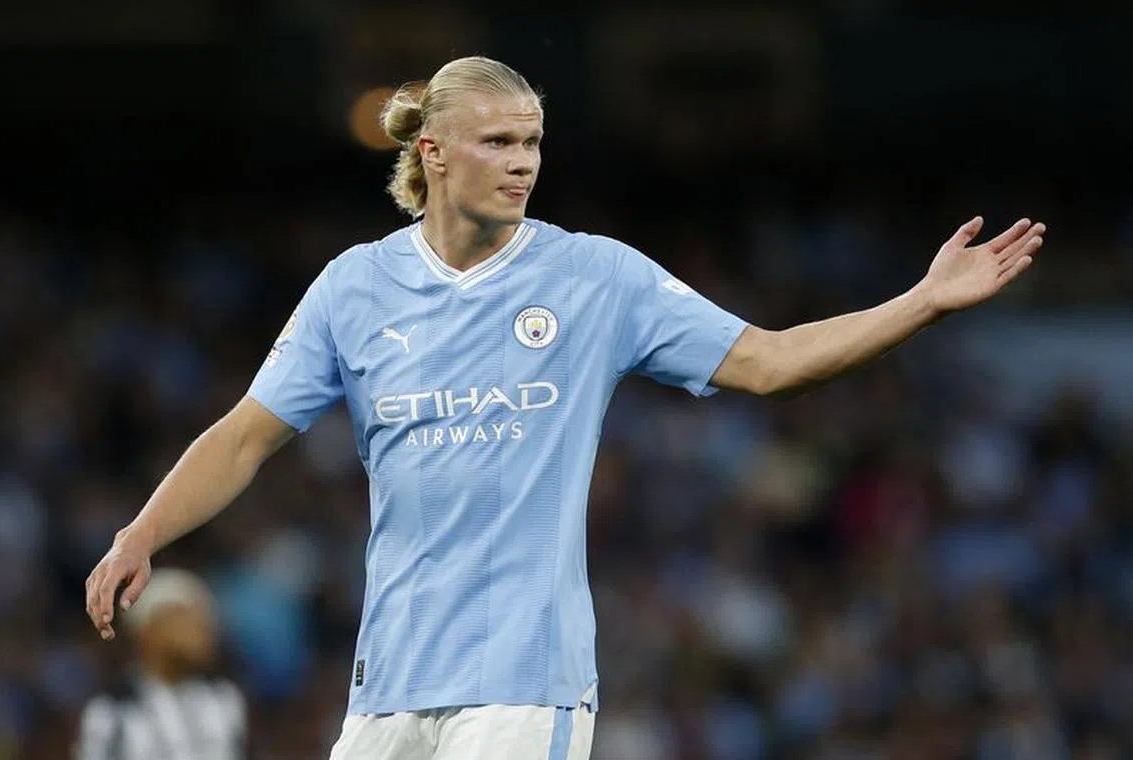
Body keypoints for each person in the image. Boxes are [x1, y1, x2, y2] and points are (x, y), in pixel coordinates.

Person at [84, 56, 1044, 759]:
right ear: (434, 153)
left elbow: (771, 361)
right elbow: (248, 435)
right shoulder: (354, 288)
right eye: (498, 142)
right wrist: (142, 532)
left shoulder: (593, 276)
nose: (523, 162)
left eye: (533, 142)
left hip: (520, 684)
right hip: (388, 685)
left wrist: (919, 303)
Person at [76, 568, 247, 760]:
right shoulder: (112, 711)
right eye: (185, 617)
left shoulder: (224, 699)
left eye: (204, 620)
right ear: (147, 629)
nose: (202, 630)